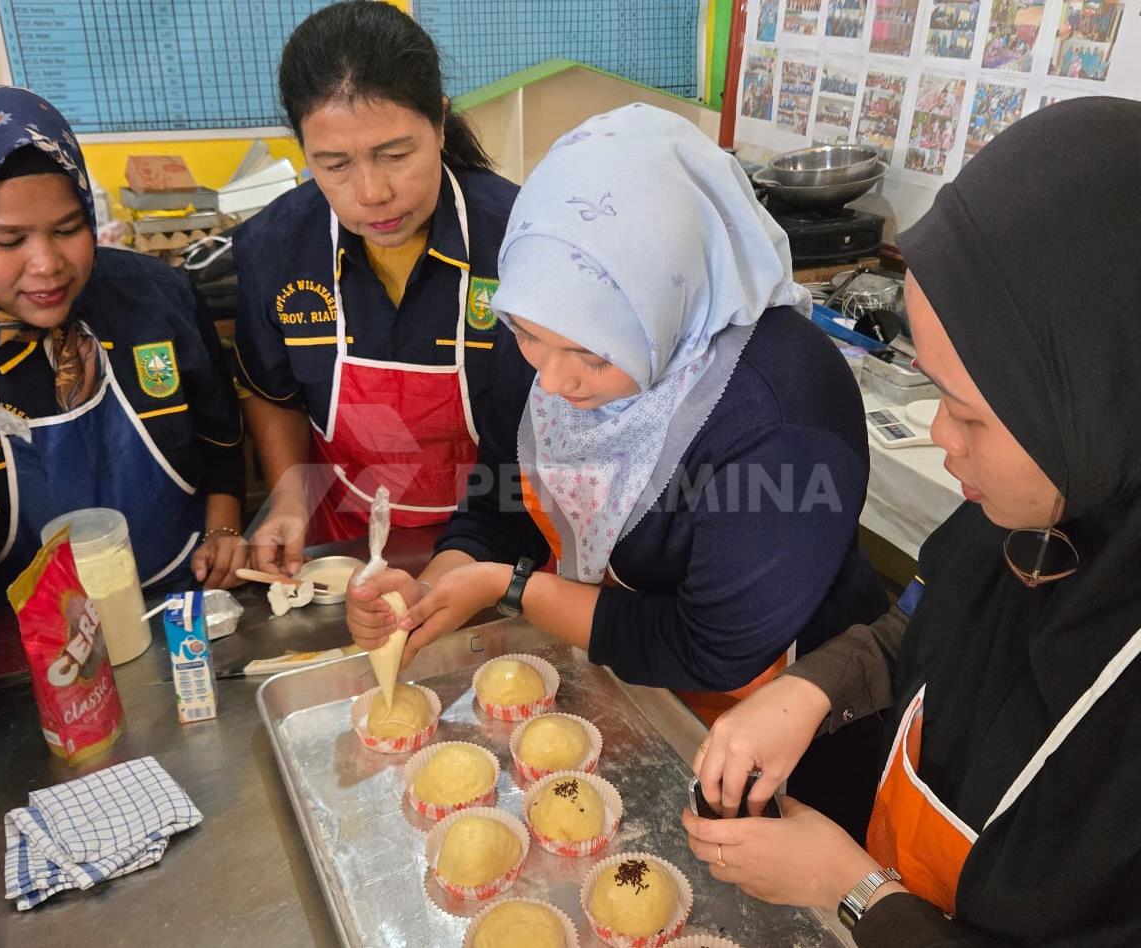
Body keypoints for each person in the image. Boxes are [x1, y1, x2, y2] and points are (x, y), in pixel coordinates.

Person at [348, 104, 888, 827]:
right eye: (530, 336)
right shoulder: (539, 334)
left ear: (667, 303)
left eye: (594, 357)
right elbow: (498, 503)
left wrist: (511, 589)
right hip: (619, 681)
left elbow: (712, 648)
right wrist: (434, 587)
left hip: (773, 728)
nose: (555, 381)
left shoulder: (781, 411)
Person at [682, 97, 1141, 946]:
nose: (940, 436)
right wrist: (811, 690)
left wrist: (855, 891)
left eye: (968, 415)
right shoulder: (1043, 503)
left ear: (1097, 401)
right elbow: (928, 626)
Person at [234, 1, 519, 573]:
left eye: (395, 154)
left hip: (502, 538)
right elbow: (272, 391)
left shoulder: (516, 237)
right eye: (334, 164)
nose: (371, 194)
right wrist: (289, 495)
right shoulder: (277, 247)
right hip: (345, 545)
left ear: (440, 124)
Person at [0, 86, 245, 599]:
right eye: (10, 240)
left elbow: (220, 438)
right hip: (28, 627)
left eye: (68, 228)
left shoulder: (155, 297)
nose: (47, 265)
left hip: (182, 592)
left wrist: (224, 530)